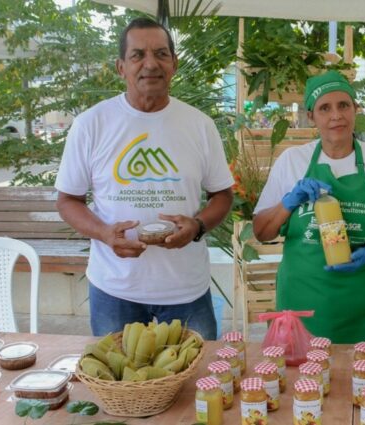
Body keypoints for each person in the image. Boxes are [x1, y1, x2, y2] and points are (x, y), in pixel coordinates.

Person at [54, 17, 234, 339]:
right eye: (138, 55)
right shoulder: (91, 124)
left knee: (197, 386)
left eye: (161, 54)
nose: (151, 64)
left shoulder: (200, 125)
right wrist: (106, 234)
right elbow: (68, 200)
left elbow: (222, 195)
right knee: (119, 387)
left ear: (174, 64)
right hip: (115, 290)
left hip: (186, 291)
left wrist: (197, 226)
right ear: (120, 67)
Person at [252, 71, 365, 345]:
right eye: (325, 108)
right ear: (311, 116)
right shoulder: (292, 161)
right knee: (302, 383)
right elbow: (261, 231)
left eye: (344, 105)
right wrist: (288, 203)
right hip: (305, 302)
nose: (336, 115)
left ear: (356, 110)